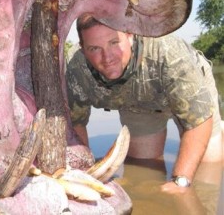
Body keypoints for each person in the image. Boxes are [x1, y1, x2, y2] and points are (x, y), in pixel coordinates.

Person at [66, 13, 223, 193]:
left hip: (190, 93)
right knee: (142, 168)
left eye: (114, 43)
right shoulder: (75, 67)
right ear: (82, 48)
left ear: (130, 35)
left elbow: (198, 122)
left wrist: (181, 181)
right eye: (94, 48)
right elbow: (75, 123)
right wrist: (84, 174)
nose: (107, 57)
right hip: (138, 104)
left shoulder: (168, 52)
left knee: (208, 169)